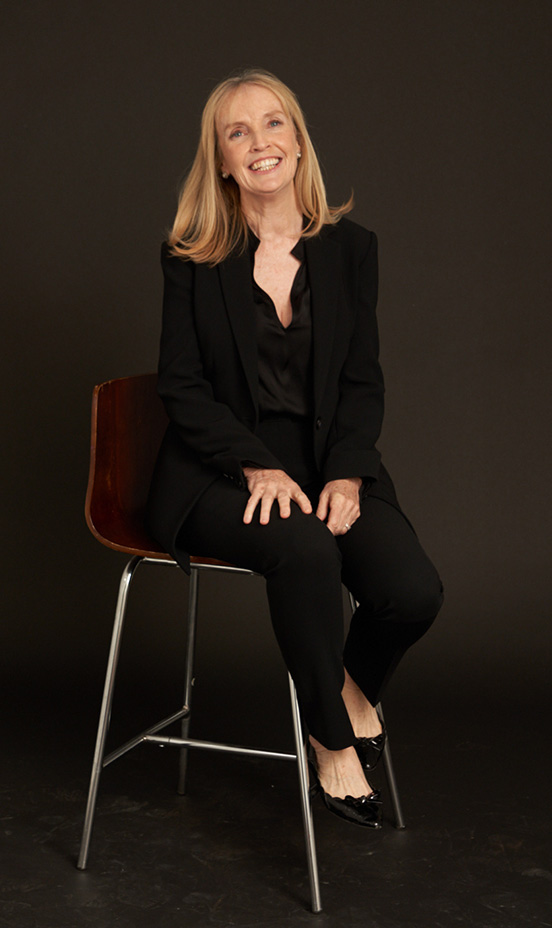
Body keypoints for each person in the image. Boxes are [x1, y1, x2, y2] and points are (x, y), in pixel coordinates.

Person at [147, 68, 443, 828]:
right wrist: (254, 463)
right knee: (307, 551)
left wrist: (347, 474)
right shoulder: (191, 256)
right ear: (221, 160)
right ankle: (330, 740)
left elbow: (362, 380)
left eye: (274, 123)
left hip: (325, 462)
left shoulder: (351, 249)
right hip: (219, 472)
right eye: (238, 132)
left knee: (412, 592)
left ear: (300, 142)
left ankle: (347, 688)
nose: (260, 142)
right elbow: (181, 387)